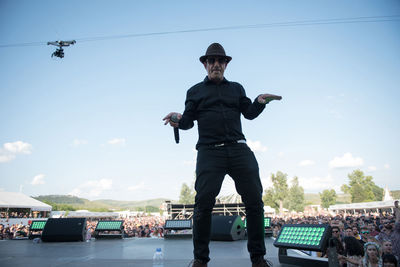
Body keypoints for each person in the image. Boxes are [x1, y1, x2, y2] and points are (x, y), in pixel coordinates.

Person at [163, 43, 282, 267]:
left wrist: (259, 101)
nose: (216, 65)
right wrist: (178, 120)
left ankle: (258, 259)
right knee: (203, 204)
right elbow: (188, 121)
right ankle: (200, 259)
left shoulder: (237, 88)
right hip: (209, 152)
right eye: (212, 61)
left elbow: (249, 114)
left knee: (255, 202)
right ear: (205, 65)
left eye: (220, 61)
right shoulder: (194, 91)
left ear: (226, 64)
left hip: (238, 149)